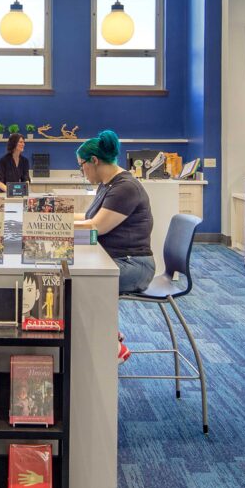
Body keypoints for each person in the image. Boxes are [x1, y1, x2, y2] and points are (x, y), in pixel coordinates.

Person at [74, 130, 154, 362]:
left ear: (94, 161)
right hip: (118, 259)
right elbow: (87, 217)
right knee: (79, 278)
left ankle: (108, 341)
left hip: (135, 265)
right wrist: (52, 219)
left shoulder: (125, 187)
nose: (82, 172)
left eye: (82, 166)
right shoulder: (108, 185)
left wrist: (52, 228)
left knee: (82, 282)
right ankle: (105, 334)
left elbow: (96, 227)